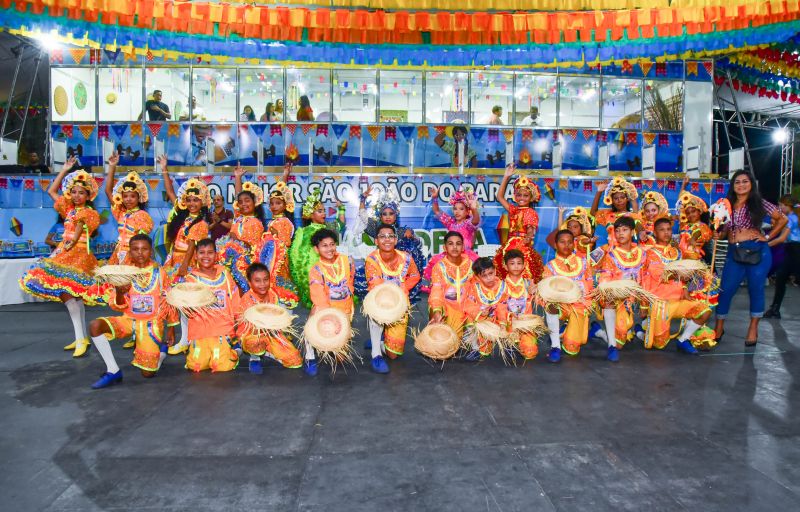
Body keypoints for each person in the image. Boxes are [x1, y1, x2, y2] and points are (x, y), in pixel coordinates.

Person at [20, 157, 101, 357]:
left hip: (78, 254)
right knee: (71, 297)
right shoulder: (69, 209)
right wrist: (64, 170)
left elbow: (79, 231)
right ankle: (80, 337)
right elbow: (51, 191)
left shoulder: (89, 213)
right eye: (73, 192)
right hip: (66, 252)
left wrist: (69, 245)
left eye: (81, 192)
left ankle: (81, 337)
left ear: (88, 195)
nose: (76, 195)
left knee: (70, 295)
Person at [87, 234, 177, 388]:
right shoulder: (124, 273)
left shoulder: (160, 273)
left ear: (151, 251)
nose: (140, 253)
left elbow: (169, 301)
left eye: (144, 249)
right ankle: (113, 370)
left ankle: (161, 353)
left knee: (148, 374)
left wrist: (171, 329)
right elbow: (118, 305)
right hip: (128, 320)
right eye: (135, 249)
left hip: (151, 324)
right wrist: (120, 292)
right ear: (129, 252)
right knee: (95, 326)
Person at [713, 171, 787, 346]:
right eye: (737, 182)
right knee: (725, 290)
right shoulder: (726, 204)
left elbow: (782, 219)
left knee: (756, 290)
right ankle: (718, 327)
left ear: (751, 184)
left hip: (757, 252)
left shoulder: (759, 203)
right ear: (733, 186)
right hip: (734, 252)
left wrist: (768, 238)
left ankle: (753, 329)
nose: (741, 185)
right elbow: (724, 230)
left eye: (745, 181)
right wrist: (719, 234)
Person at [641, 218, 712, 354]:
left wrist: (685, 287)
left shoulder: (678, 252)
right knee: (659, 344)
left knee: (704, 311)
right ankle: (642, 330)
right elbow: (659, 274)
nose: (666, 233)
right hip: (661, 303)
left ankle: (683, 340)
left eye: (668, 229)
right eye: (662, 230)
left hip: (679, 300)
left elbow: (683, 274)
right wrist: (681, 274)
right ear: (655, 233)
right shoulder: (651, 252)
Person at [352, 184, 426, 304]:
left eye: (391, 214)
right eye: (384, 214)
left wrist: (412, 235)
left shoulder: (403, 231)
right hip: (380, 268)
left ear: (396, 215)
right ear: (380, 216)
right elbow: (363, 215)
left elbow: (416, 245)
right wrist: (363, 199)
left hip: (397, 270)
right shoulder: (375, 227)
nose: (387, 217)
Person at [162, 176, 211, 356]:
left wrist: (183, 267)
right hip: (175, 261)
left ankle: (188, 340)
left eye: (196, 200)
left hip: (187, 264)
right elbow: (170, 193)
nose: (192, 203)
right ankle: (185, 339)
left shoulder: (201, 224)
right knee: (180, 303)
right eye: (189, 200)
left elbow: (191, 247)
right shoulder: (184, 220)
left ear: (203, 202)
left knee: (188, 303)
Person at [364, 224, 421, 373]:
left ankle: (382, 341)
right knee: (375, 314)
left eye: (390, 236)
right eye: (382, 236)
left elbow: (415, 276)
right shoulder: (372, 260)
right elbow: (376, 285)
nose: (387, 239)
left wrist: (404, 288)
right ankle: (376, 353)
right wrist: (392, 294)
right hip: (380, 301)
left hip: (400, 304)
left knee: (393, 355)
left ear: (396, 240)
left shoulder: (406, 258)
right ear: (376, 241)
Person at [181, 238, 240, 372]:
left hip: (222, 330)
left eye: (210, 252)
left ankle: (235, 349)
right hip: (200, 331)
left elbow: (235, 298)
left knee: (221, 366)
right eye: (202, 253)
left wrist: (238, 323)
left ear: (216, 255)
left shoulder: (224, 274)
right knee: (196, 365)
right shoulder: (191, 279)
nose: (206, 256)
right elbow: (186, 307)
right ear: (195, 255)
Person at [305, 228, 355, 376]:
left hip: (345, 308)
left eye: (332, 244)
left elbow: (351, 281)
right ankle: (310, 357)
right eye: (324, 245)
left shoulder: (347, 261)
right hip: (325, 309)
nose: (329, 248)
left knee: (340, 358)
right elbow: (319, 298)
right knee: (311, 328)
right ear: (316, 249)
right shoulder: (316, 270)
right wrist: (331, 317)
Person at [596, 216, 648, 362]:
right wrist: (610, 292)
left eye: (625, 230)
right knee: (619, 342)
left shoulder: (642, 253)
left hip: (634, 298)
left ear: (632, 232)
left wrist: (644, 303)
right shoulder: (610, 254)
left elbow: (645, 278)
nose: (620, 233)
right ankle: (611, 344)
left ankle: (602, 332)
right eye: (617, 231)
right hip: (616, 297)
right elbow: (604, 277)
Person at [237, 263, 302, 375]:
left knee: (295, 360)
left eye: (265, 279)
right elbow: (246, 326)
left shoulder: (274, 295)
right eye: (257, 281)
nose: (262, 284)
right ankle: (254, 358)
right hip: (252, 334)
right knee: (255, 342)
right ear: (250, 283)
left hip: (273, 334)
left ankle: (269, 352)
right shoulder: (246, 299)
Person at [540, 231, 595, 362]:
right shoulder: (550, 267)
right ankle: (555, 346)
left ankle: (567, 331)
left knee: (572, 347)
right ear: (555, 245)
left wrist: (587, 301)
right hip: (560, 305)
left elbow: (590, 284)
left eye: (570, 242)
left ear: (574, 243)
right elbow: (546, 291)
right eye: (562, 242)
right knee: (550, 305)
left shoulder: (583, 263)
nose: (566, 245)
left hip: (579, 306)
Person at [288, 189, 345, 309]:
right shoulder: (304, 232)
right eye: (319, 211)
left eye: (324, 211)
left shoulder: (329, 228)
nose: (324, 214)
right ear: (310, 214)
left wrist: (341, 208)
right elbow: (299, 258)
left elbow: (341, 224)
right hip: (314, 274)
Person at [422, 186, 480, 291]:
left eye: (461, 209)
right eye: (455, 208)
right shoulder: (450, 223)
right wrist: (435, 198)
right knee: (436, 263)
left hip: (465, 257)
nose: (457, 211)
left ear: (467, 212)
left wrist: (474, 208)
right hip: (450, 255)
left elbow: (475, 220)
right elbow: (436, 211)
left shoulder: (468, 224)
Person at [219, 165, 266, 292]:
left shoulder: (256, 222)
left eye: (247, 201)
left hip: (245, 265)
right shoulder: (238, 217)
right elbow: (238, 196)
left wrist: (236, 240)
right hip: (230, 262)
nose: (244, 204)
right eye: (241, 202)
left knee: (243, 292)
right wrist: (238, 177)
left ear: (254, 203)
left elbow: (254, 248)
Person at [493, 164, 544, 281]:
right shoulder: (514, 209)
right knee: (505, 270)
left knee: (524, 271)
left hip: (522, 245)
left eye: (526, 195)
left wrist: (529, 237)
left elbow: (531, 228)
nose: (522, 198)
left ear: (531, 198)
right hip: (510, 244)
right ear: (515, 196)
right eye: (519, 195)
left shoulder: (530, 212)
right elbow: (500, 197)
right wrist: (506, 177)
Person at [104, 151, 153, 265]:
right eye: (125, 196)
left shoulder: (142, 215)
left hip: (134, 255)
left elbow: (143, 241)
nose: (128, 199)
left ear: (139, 198)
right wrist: (112, 166)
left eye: (132, 196)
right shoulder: (121, 212)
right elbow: (108, 191)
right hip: (119, 253)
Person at [428, 231, 474, 344]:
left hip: (467, 306)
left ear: (463, 247)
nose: (454, 247)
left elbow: (476, 289)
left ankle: (472, 342)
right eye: (450, 244)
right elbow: (436, 291)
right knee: (450, 344)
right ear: (444, 247)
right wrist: (437, 311)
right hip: (447, 307)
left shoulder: (471, 265)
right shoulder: (439, 267)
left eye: (458, 244)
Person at [462, 257, 508, 361]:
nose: (489, 278)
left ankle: (509, 346)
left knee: (512, 315)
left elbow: (503, 306)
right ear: (478, 277)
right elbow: (468, 305)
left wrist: (502, 324)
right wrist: (480, 312)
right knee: (469, 319)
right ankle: (475, 348)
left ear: (495, 270)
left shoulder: (503, 286)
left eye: (491, 273)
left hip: (499, 320)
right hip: (482, 321)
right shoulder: (474, 288)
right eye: (484, 276)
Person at [498, 249, 539, 361]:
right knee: (510, 354)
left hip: (525, 323)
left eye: (519, 263)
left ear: (524, 265)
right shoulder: (500, 284)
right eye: (512, 263)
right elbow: (499, 306)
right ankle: (509, 343)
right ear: (505, 266)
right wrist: (505, 319)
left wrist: (535, 293)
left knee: (530, 352)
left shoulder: (528, 283)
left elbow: (539, 302)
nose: (516, 266)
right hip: (508, 323)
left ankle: (523, 343)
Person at [765, 195, 800, 319]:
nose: (779, 208)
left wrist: (765, 244)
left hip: (794, 250)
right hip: (792, 250)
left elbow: (782, 238)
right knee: (781, 278)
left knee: (784, 278)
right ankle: (775, 309)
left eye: (781, 205)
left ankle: (775, 309)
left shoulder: (790, 219)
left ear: (787, 206)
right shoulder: (795, 216)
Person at [590, 176, 641, 249]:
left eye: (622, 197)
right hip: (611, 252)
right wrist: (599, 192)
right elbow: (593, 212)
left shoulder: (632, 216)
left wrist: (631, 194)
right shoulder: (607, 215)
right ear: (612, 200)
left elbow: (638, 223)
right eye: (616, 198)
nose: (619, 200)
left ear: (627, 199)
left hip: (628, 252)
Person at [677, 192, 712, 261]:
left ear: (700, 211)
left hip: (698, 258)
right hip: (684, 259)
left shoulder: (703, 226)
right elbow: (679, 202)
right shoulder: (685, 226)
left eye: (693, 211)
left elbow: (698, 231)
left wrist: (693, 238)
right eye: (688, 213)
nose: (691, 214)